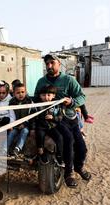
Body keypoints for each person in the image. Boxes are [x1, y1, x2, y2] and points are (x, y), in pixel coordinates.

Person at [35, 54, 91, 188]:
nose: (49, 66)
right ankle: (68, 173)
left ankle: (78, 167)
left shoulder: (69, 80)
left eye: (52, 63)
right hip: (55, 120)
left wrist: (72, 101)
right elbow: (36, 99)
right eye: (47, 63)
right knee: (68, 142)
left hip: (70, 118)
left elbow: (82, 96)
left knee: (82, 148)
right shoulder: (41, 82)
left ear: (59, 64)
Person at [35, 85, 64, 166]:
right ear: (40, 96)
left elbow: (60, 117)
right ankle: (41, 153)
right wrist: (33, 128)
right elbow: (33, 117)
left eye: (48, 95)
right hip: (41, 126)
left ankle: (59, 155)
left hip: (52, 126)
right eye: (43, 95)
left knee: (59, 137)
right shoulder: (37, 105)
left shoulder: (57, 105)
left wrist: (53, 117)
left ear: (53, 95)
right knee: (39, 136)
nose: (46, 97)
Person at [7, 82, 36, 157]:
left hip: (26, 125)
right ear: (14, 94)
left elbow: (32, 116)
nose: (20, 94)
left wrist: (27, 125)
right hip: (16, 125)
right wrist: (12, 125)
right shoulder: (12, 102)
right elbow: (12, 116)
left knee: (25, 131)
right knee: (12, 133)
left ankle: (18, 148)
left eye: (22, 92)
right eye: (18, 92)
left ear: (25, 92)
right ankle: (5, 148)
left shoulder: (29, 102)